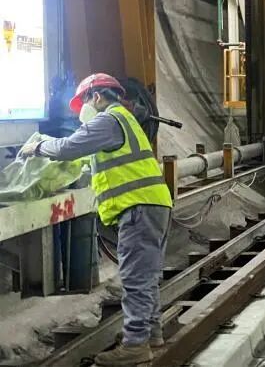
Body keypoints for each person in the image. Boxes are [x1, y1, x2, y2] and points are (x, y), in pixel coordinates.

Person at [19, 73, 173, 366]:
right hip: (152, 205)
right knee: (146, 275)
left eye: (84, 103)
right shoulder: (124, 120)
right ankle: (150, 335)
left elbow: (68, 148)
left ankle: (135, 346)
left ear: (97, 97)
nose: (82, 112)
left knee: (136, 279)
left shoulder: (108, 120)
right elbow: (87, 160)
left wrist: (36, 147)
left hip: (139, 208)